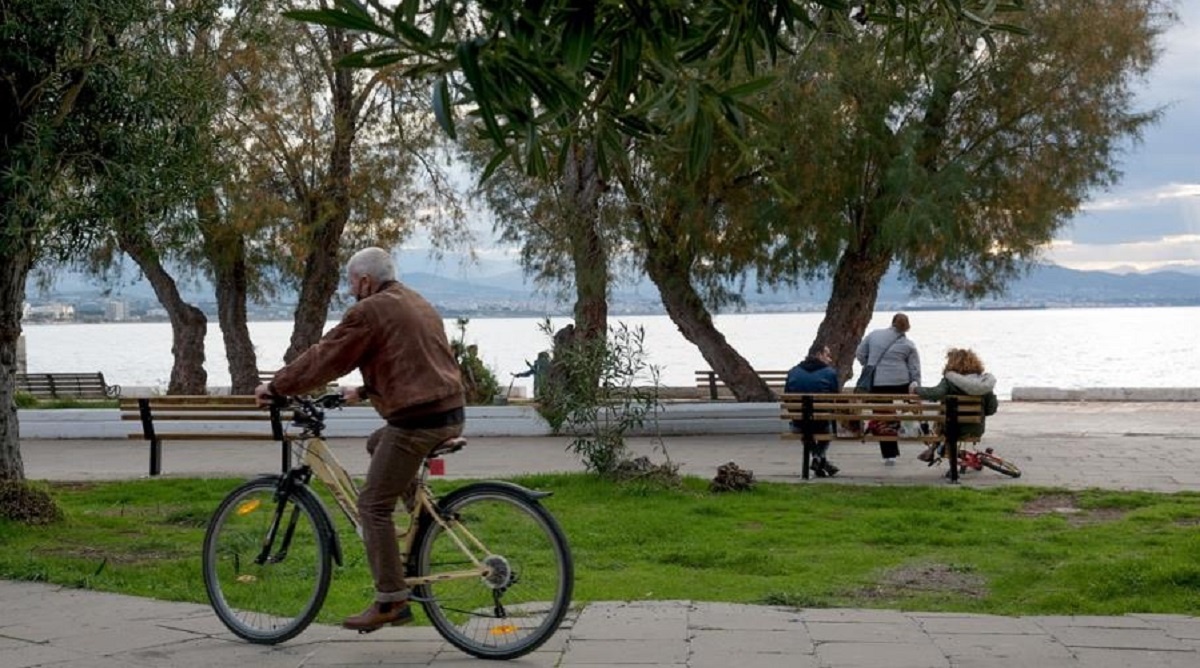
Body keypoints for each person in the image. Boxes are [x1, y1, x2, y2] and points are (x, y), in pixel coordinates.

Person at [254, 247, 465, 633]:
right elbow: (414, 359)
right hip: (449, 412)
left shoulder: (368, 311)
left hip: (417, 420)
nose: (350, 290)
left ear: (365, 281)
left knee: (372, 506)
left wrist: (277, 386)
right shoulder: (415, 302)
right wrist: (364, 390)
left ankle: (391, 600)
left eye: (351, 283)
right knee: (376, 443)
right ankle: (424, 517)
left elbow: (327, 356)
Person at [855, 313, 921, 464]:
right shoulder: (909, 345)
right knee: (904, 410)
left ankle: (889, 455)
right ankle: (908, 430)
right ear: (907, 328)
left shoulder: (874, 335)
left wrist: (869, 364)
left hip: (878, 383)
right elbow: (915, 369)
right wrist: (916, 386)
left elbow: (859, 353)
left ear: (892, 323)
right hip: (901, 384)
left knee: (882, 417)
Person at [914, 348, 999, 462]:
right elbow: (991, 409)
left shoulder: (949, 381)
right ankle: (938, 449)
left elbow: (935, 394)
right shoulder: (984, 383)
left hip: (951, 429)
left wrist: (916, 389)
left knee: (943, 415)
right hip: (975, 429)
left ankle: (934, 448)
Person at [785, 343, 841, 477]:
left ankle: (819, 459)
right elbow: (835, 397)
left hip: (799, 424)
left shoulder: (793, 371)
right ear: (819, 355)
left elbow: (787, 398)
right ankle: (818, 457)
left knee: (805, 429)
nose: (830, 359)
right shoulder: (829, 373)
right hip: (822, 423)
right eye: (827, 355)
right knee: (827, 431)